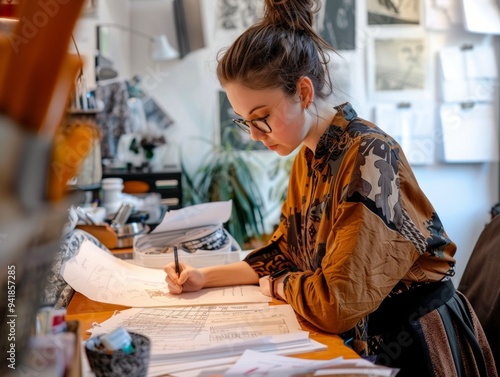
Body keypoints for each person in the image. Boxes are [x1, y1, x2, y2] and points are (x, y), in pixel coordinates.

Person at [164, 0, 497, 375]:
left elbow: (336, 303)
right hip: (369, 336)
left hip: (419, 343)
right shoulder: (307, 157)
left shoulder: (371, 155)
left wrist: (277, 287)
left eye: (262, 118)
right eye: (245, 122)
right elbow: (288, 252)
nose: (255, 136)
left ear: (304, 93)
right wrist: (204, 277)